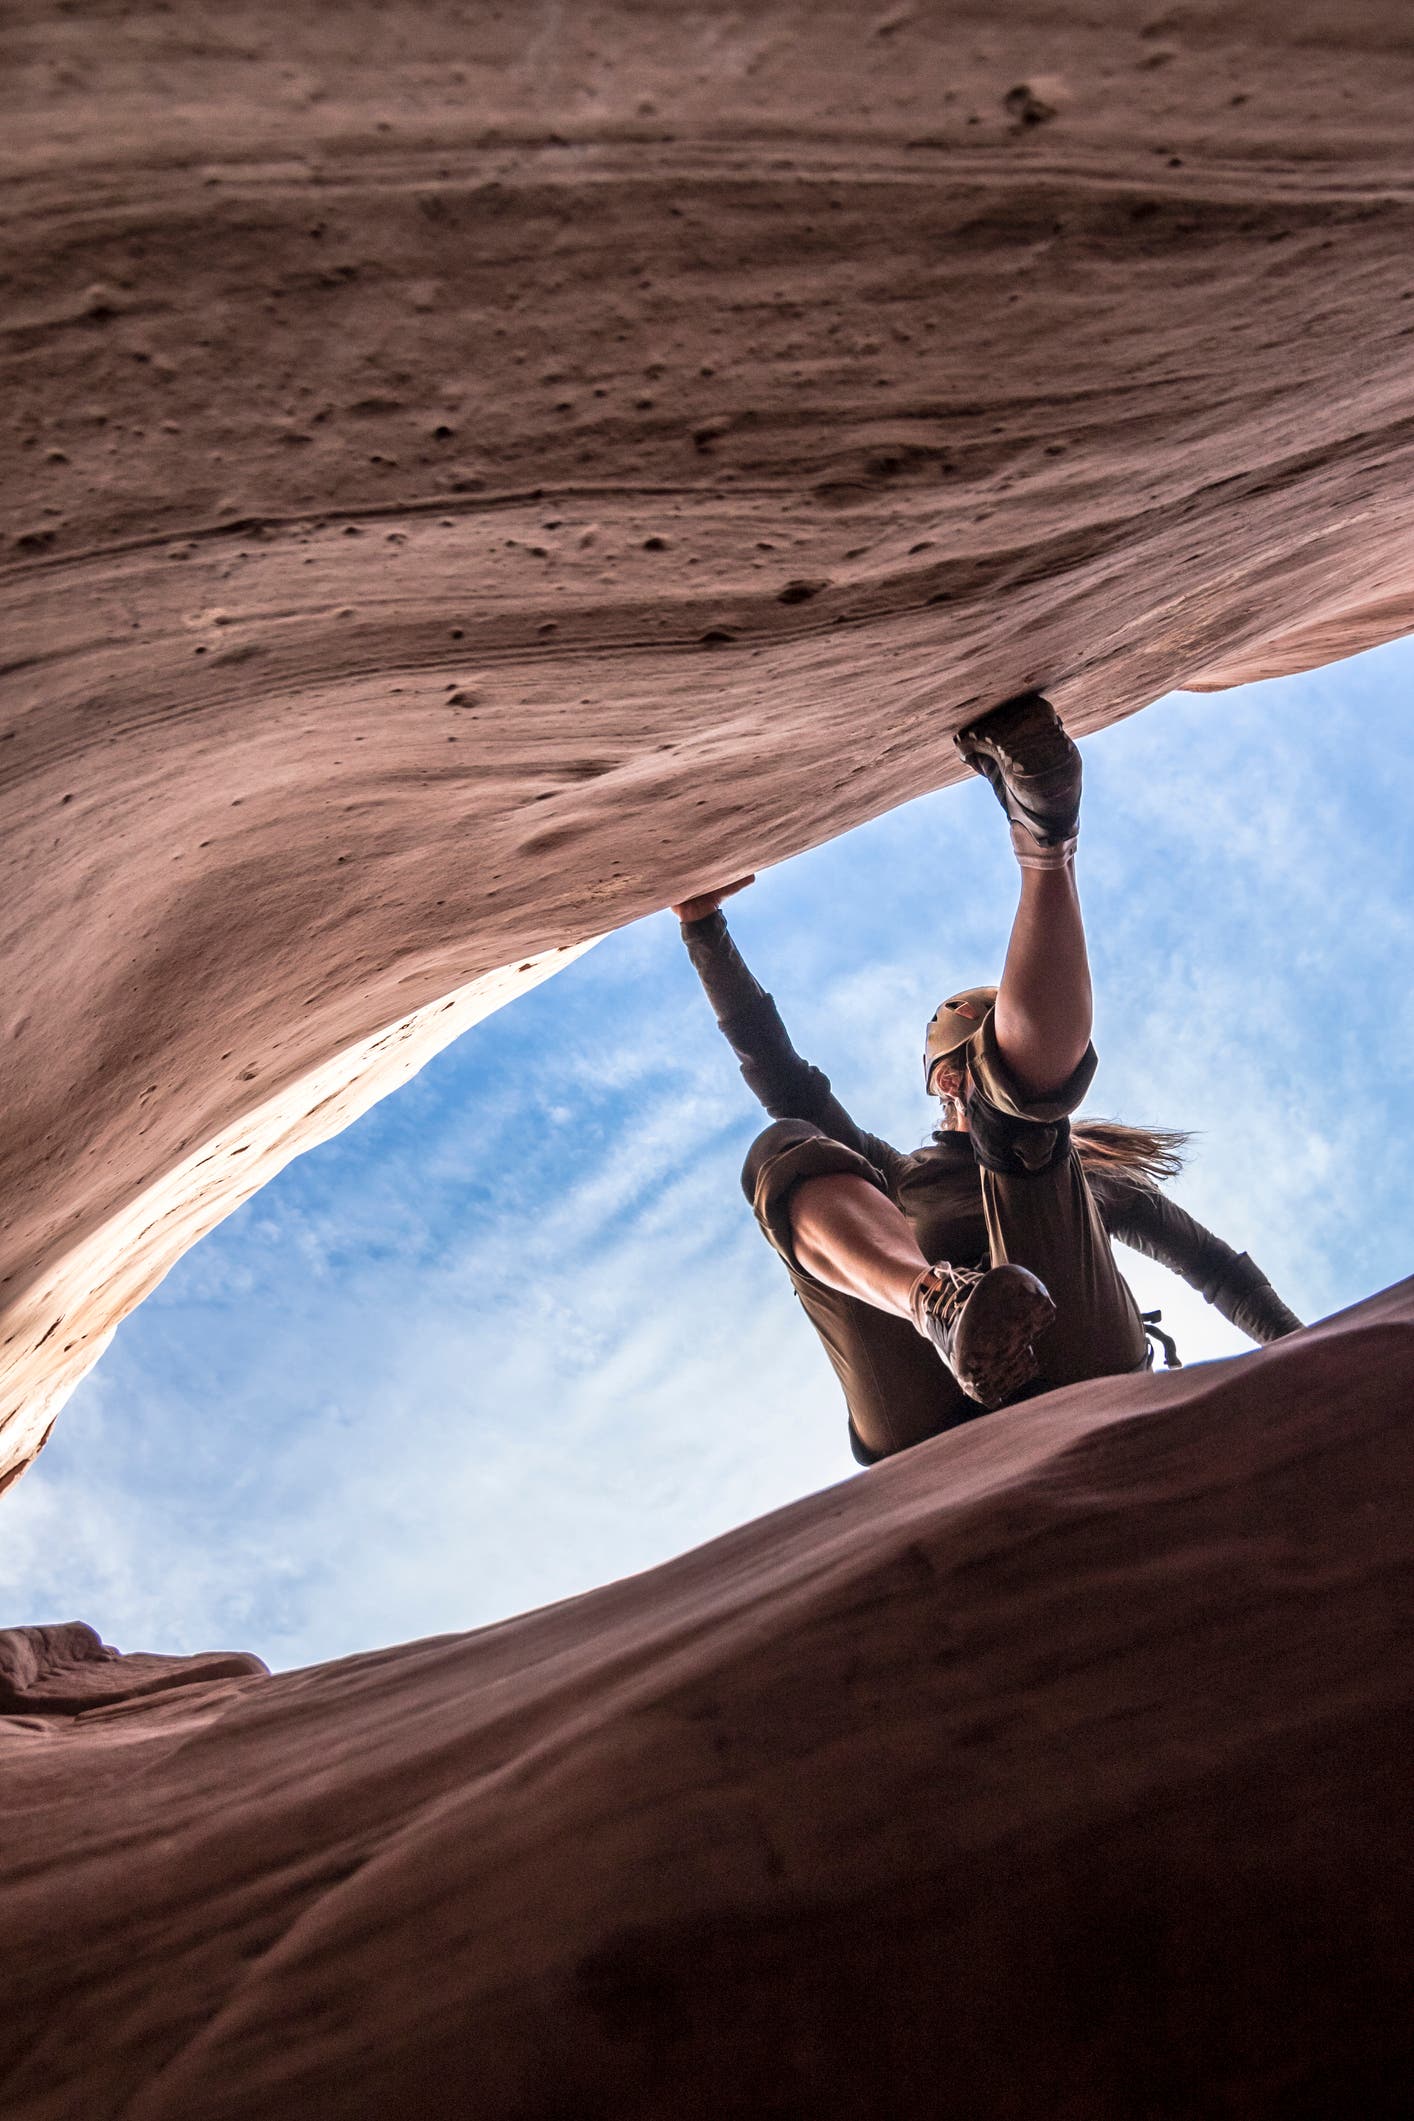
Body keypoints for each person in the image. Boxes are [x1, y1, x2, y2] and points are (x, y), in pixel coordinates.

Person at [672, 692, 1301, 1466]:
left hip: (1078, 1368)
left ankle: (1047, 842)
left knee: (1027, 1128)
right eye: (981, 1056)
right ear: (944, 1078)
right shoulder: (894, 1175)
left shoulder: (1088, 1182)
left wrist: (1316, 1356)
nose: (989, 1070)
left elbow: (1215, 1271)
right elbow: (783, 1078)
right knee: (784, 1147)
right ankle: (936, 1302)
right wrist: (704, 931)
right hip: (921, 1398)